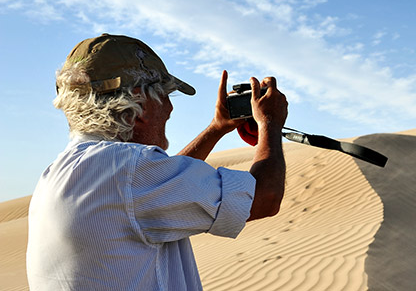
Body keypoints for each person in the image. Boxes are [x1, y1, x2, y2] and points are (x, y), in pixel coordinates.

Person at [26, 34, 288, 290]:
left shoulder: (59, 174)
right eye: (165, 95)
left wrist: (216, 129)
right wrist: (269, 122)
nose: (170, 109)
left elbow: (153, 188)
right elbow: (265, 196)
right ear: (139, 101)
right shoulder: (130, 170)